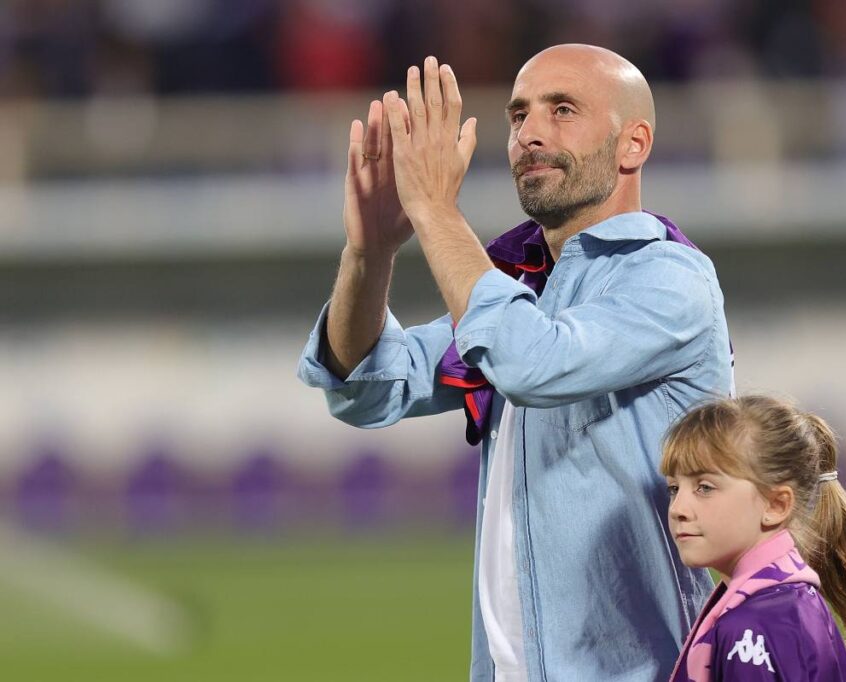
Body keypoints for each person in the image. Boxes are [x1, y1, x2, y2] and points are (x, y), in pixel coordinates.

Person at [297, 44, 734, 680]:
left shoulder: (669, 278)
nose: (530, 133)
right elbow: (366, 384)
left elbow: (530, 363)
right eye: (519, 114)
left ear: (632, 144)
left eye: (563, 110)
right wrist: (370, 255)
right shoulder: (523, 285)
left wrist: (436, 211)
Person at [660, 395, 846, 681]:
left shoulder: (749, 628)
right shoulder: (791, 600)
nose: (678, 509)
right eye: (674, 488)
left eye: (704, 487)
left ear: (775, 505)